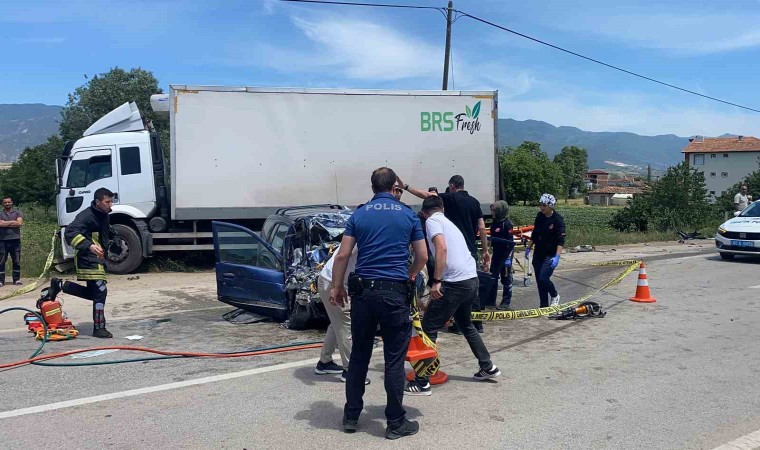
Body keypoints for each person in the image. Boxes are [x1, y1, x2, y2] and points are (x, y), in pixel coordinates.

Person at [330, 167, 428, 440]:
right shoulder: (408, 214)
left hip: (364, 294)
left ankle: (351, 415)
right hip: (395, 293)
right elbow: (422, 255)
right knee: (394, 359)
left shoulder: (359, 214)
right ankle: (395, 422)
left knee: (360, 354)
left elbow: (343, 255)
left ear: (373, 187)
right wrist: (410, 273)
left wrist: (337, 286)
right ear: (395, 185)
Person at [404, 196, 501, 396]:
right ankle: (487, 366)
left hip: (454, 283)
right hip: (470, 280)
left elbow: (441, 248)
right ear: (442, 208)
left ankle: (422, 382)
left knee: (428, 328)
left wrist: (437, 281)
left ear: (424, 213)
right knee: (465, 324)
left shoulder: (432, 221)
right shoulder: (448, 222)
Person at [403, 175, 490, 332]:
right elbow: (482, 228)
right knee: (470, 297)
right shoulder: (475, 202)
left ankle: (454, 323)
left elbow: (428, 196)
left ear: (452, 186)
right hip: (468, 252)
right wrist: (485, 250)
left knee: (433, 318)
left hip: (450, 254)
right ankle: (477, 323)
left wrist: (406, 187)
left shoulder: (448, 201)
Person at [43, 188, 119, 338]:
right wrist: (89, 245)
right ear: (97, 202)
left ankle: (60, 285)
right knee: (101, 290)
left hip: (98, 259)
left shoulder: (103, 215)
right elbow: (70, 233)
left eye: (111, 201)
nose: (111, 205)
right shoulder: (86, 216)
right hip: (87, 259)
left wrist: (115, 236)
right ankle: (99, 328)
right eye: (107, 202)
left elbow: (104, 229)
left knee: (94, 294)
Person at [314, 245, 370, 385]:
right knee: (346, 325)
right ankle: (351, 371)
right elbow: (341, 256)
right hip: (333, 283)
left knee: (337, 323)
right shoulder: (360, 236)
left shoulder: (367, 234)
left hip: (331, 281)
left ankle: (324, 362)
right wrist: (336, 287)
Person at [525, 193, 566, 308]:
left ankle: (555, 295)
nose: (541, 208)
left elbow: (561, 240)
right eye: (540, 205)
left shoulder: (557, 220)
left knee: (543, 278)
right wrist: (529, 247)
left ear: (551, 206)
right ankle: (543, 305)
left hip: (550, 255)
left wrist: (557, 256)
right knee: (539, 281)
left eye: (544, 205)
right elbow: (535, 233)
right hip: (538, 253)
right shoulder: (540, 216)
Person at [486, 201, 515, 310]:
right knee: (493, 277)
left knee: (506, 278)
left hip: (506, 255)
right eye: (492, 210)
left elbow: (511, 243)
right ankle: (490, 301)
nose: (492, 212)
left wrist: (508, 259)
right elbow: (492, 239)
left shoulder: (507, 224)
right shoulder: (495, 223)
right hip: (497, 254)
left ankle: (506, 302)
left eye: (494, 210)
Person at [0, 197, 23, 287]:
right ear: (3, 204)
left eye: (9, 202)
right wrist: (13, 222)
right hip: (2, 241)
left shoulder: (17, 212)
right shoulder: (0, 213)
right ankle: (1, 281)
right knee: (1, 261)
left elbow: (19, 223)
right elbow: (0, 224)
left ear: (12, 203)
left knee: (16, 261)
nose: (7, 204)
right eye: (5, 202)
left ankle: (16, 280)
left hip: (15, 240)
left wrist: (5, 223)